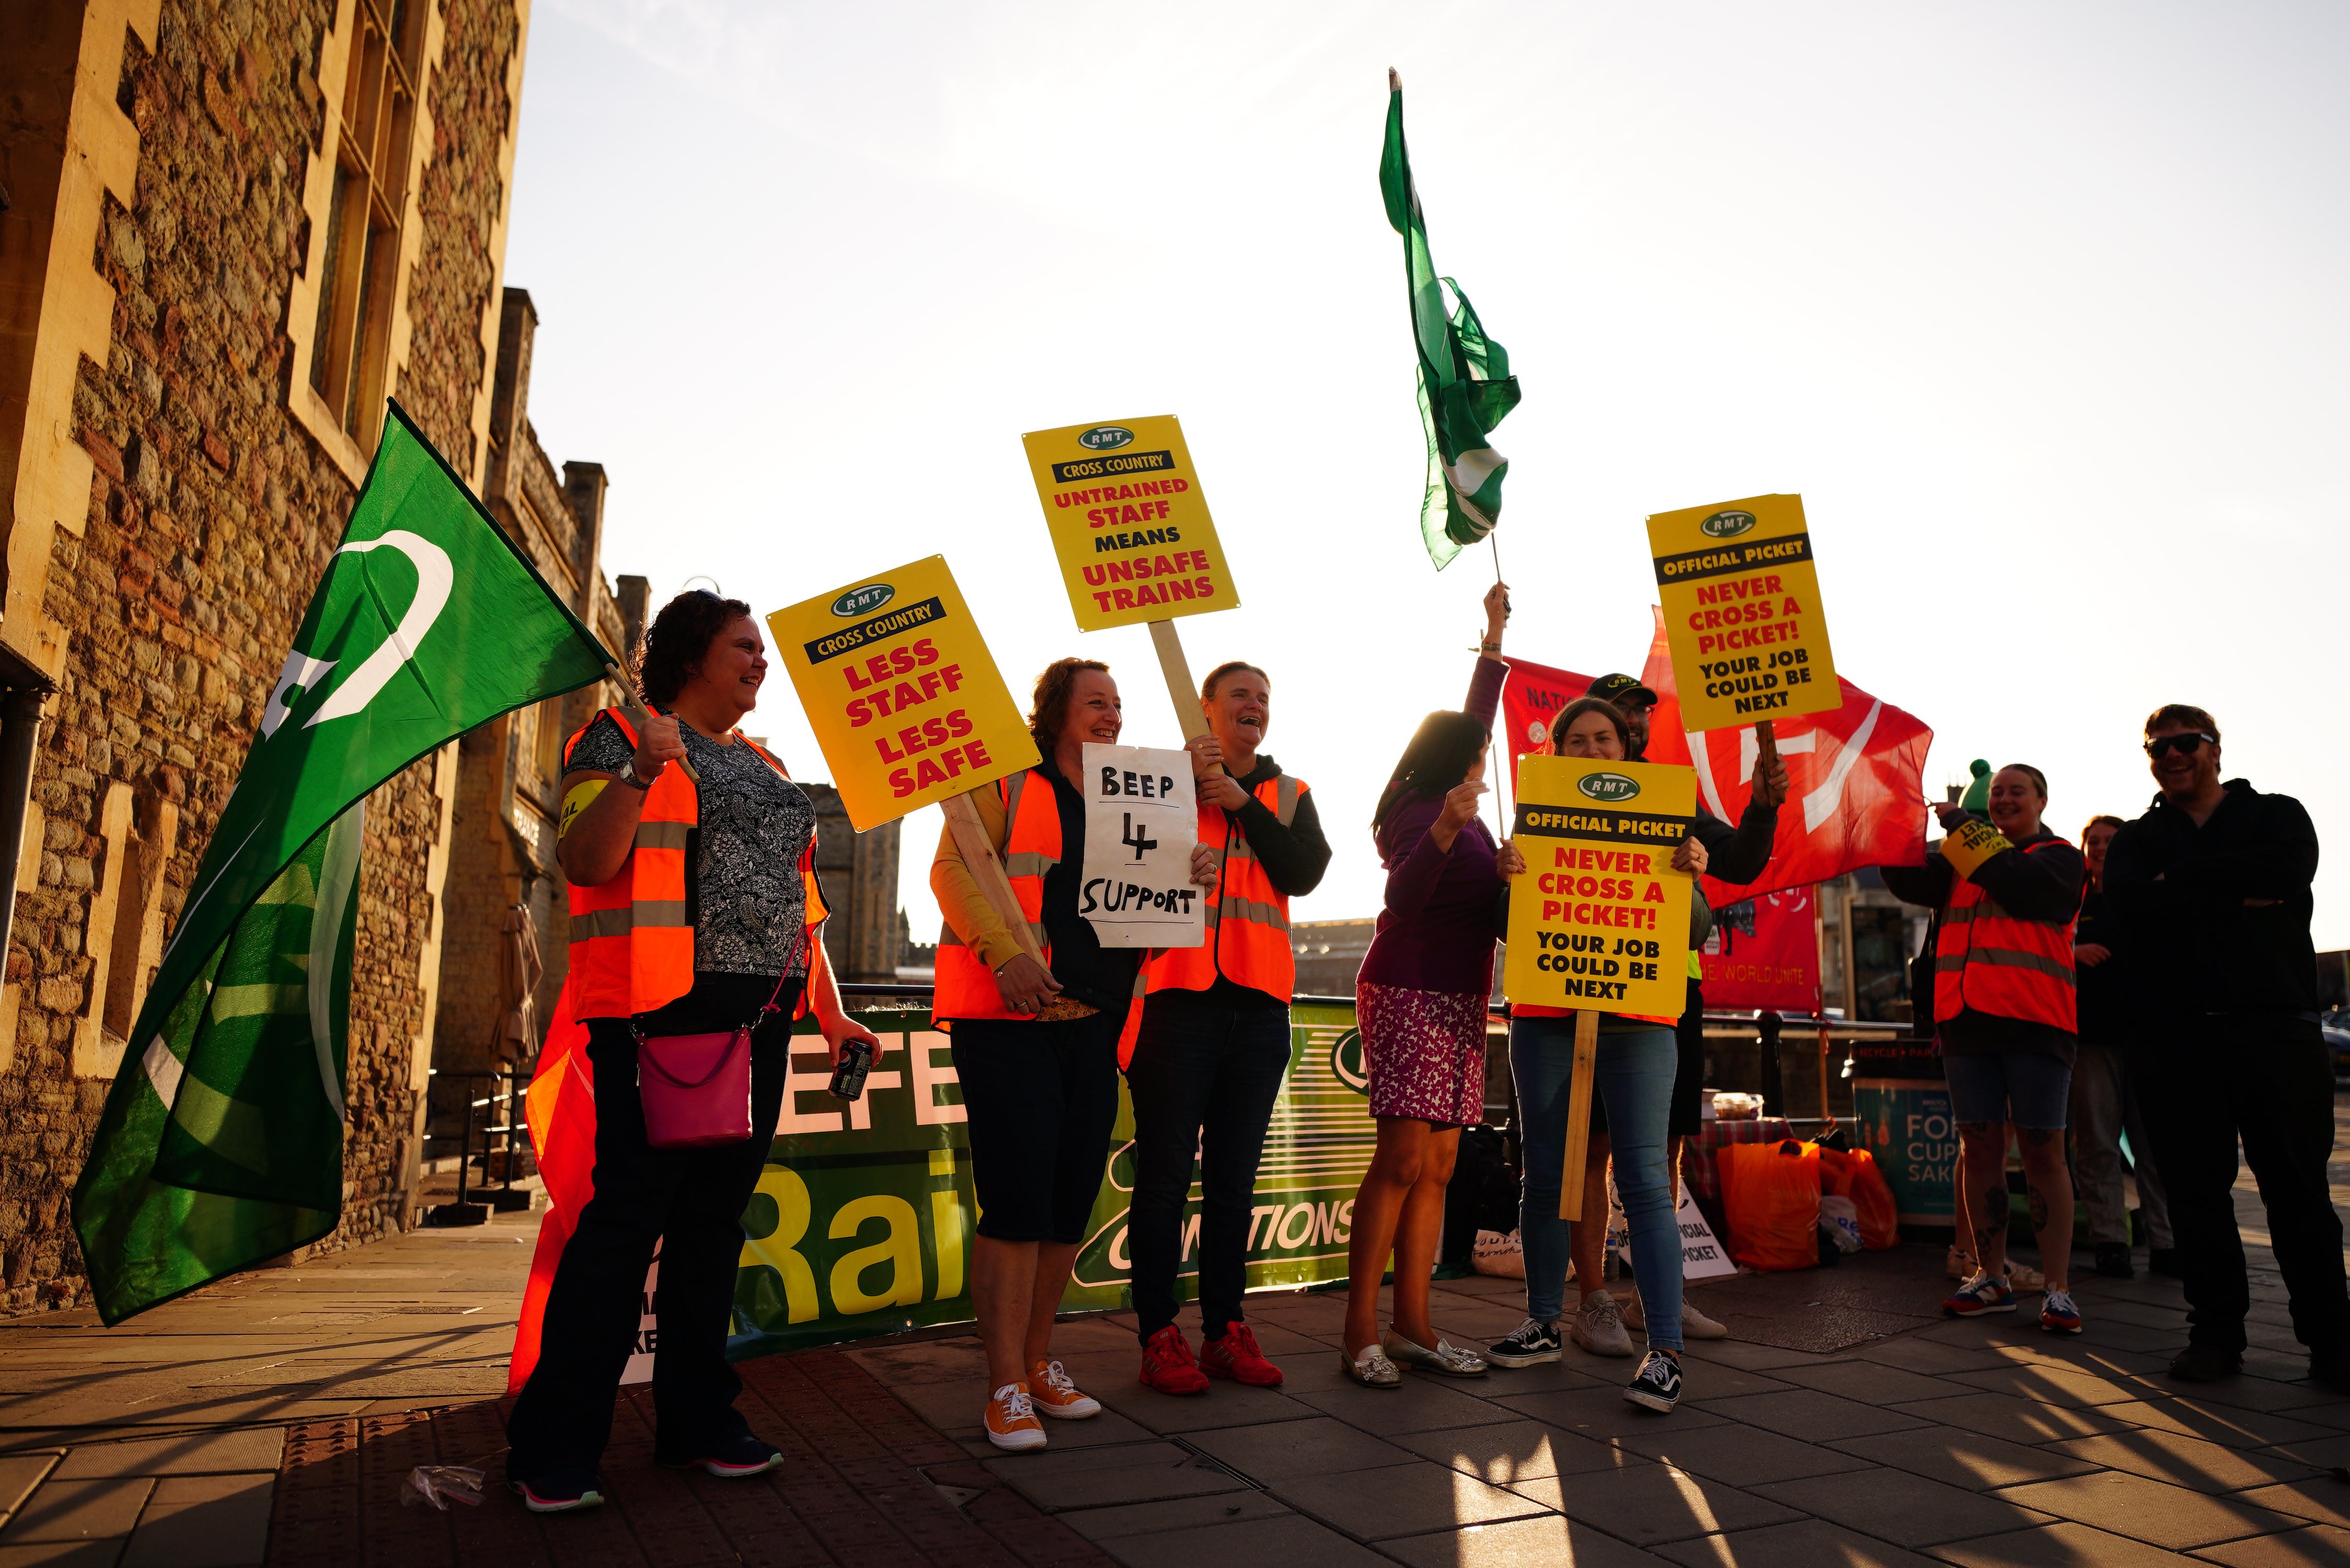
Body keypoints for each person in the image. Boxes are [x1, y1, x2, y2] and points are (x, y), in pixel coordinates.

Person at [506, 591, 881, 1513]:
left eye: (762, 649)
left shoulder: (767, 764)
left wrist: (831, 1016)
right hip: (657, 1016)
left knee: (714, 1231)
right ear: (690, 655)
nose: (761, 660)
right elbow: (585, 863)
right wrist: (639, 768)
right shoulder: (616, 734)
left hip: (760, 1021)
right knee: (625, 1227)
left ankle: (697, 1422)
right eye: (743, 647)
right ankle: (554, 1448)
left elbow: (804, 911)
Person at [930, 658, 1219, 1450]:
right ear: (1054, 712)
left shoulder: (1137, 796)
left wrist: (1191, 878)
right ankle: (1001, 1390)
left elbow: (1149, 921)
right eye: (1096, 702)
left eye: (1119, 704)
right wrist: (1002, 954)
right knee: (1018, 1205)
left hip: (1094, 1023)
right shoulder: (1007, 781)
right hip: (1008, 1017)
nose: (1113, 716)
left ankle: (1035, 1366)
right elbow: (952, 869)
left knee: (1064, 1208)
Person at [2105, 705, 2350, 1390]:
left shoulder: (2277, 814)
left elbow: (2284, 875)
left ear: (2215, 749)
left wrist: (2176, 888)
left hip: (2275, 1031)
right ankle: (2215, 1337)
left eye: (2186, 743)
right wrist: (2227, 887)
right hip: (2175, 1038)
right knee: (2195, 1195)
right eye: (2158, 747)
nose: (2172, 755)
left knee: (2297, 1192)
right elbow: (2127, 909)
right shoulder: (2137, 838)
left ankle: (2334, 1344)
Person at [1484, 696, 1707, 1414]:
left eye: (1602, 738)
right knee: (1546, 1174)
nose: (1589, 750)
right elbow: (1506, 925)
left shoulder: (1669, 817)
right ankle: (1544, 1322)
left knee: (1644, 1179)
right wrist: (1505, 873)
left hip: (1639, 1019)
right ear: (1557, 753)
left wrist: (1691, 874)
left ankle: (1665, 1351)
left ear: (1624, 748)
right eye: (1574, 740)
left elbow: (1695, 929)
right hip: (1548, 1017)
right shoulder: (1533, 818)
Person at [1125, 660, 1331, 1394]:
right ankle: (1158, 1333)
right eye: (1240, 694)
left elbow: (1303, 871)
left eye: (1264, 698)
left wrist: (1240, 803)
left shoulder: (1288, 793)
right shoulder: (1154, 784)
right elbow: (1117, 881)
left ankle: (1225, 1330)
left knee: (1235, 1183)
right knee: (1164, 1180)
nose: (1255, 705)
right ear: (1205, 707)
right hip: (1176, 1000)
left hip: (1257, 1008)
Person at [1340, 584, 1514, 1389]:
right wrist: (1445, 831)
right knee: (1403, 1161)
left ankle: (1415, 1326)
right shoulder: (1421, 810)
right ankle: (1359, 1335)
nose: (1488, 756)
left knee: (1440, 1166)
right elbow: (1403, 900)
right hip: (1409, 989)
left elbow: (1474, 713)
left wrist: (1494, 638)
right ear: (1458, 761)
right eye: (1478, 751)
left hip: (1460, 998)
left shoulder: (1470, 815)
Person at [1582, 673, 1784, 1348]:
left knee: (1663, 1152)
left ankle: (1651, 1296)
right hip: (1584, 985)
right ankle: (1591, 1301)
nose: (1634, 723)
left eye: (1640, 714)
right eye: (1619, 715)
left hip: (1669, 988)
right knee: (1593, 1150)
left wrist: (1761, 807)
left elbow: (1744, 860)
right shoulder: (1556, 788)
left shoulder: (1672, 793)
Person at [1881, 765, 2086, 1334]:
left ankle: (2057, 1288)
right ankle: (1989, 1277)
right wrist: (1887, 825)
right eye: (1995, 792)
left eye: (2015, 791)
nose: (2002, 799)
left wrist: (1964, 827)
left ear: (2041, 801)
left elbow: (2016, 881)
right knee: (1979, 1150)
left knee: (2043, 1153)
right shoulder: (1957, 860)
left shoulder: (2060, 858)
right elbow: (1903, 878)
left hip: (2035, 1024)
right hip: (1965, 1025)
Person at [2070, 812, 2175, 1279]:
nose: (2100, 848)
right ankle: (2111, 1241)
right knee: (2096, 1144)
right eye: (2093, 841)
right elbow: (2037, 941)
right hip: (2092, 1039)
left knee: (2158, 1146)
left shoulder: (2144, 894)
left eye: (2110, 841)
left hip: (2149, 1036)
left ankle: (2168, 1242)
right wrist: (2070, 951)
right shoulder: (2071, 900)